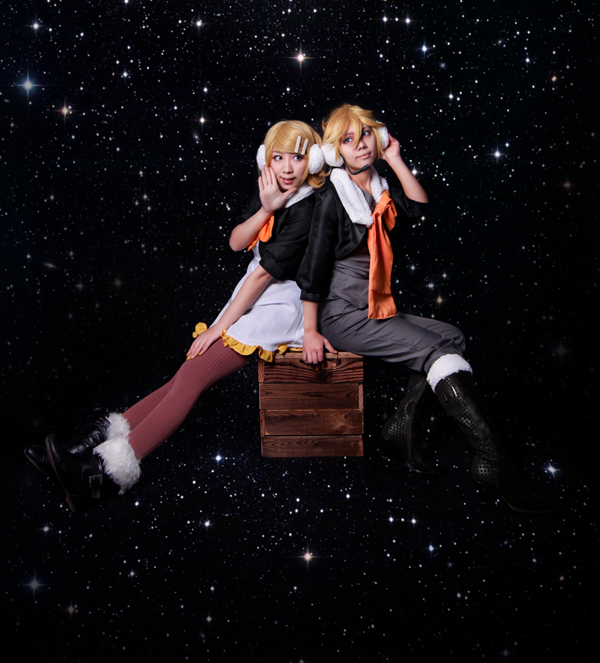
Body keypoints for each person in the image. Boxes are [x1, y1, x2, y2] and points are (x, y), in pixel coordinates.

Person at [27, 120, 325, 512]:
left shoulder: (309, 207)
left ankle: (101, 477)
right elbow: (237, 242)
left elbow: (264, 274)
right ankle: (86, 454)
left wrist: (220, 328)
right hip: (254, 296)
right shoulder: (274, 192)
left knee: (192, 376)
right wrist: (266, 207)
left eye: (298, 158)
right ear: (266, 160)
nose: (287, 167)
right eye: (279, 157)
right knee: (185, 374)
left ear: (313, 160)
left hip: (282, 305)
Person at [297, 103, 552, 513]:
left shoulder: (380, 188)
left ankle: (402, 427)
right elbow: (311, 268)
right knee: (437, 351)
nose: (360, 145)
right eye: (348, 140)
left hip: (373, 308)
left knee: (452, 336)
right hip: (341, 314)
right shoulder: (332, 197)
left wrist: (394, 158)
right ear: (333, 152)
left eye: (366, 134)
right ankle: (495, 464)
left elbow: (419, 206)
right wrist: (311, 330)